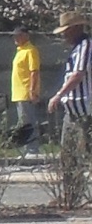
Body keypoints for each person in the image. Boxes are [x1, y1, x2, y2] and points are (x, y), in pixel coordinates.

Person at [47, 11, 91, 156]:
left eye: (66, 31)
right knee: (67, 156)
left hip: (86, 111)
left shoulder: (86, 46)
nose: (64, 35)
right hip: (72, 111)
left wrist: (58, 95)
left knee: (88, 152)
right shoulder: (76, 49)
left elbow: (78, 74)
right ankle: (70, 179)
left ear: (76, 29)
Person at [10, 25, 41, 154]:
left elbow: (34, 71)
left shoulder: (31, 50)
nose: (16, 38)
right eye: (15, 36)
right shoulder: (20, 51)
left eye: (19, 35)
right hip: (18, 93)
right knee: (23, 123)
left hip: (26, 92)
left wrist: (32, 90)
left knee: (28, 122)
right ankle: (26, 149)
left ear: (26, 36)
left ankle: (32, 149)